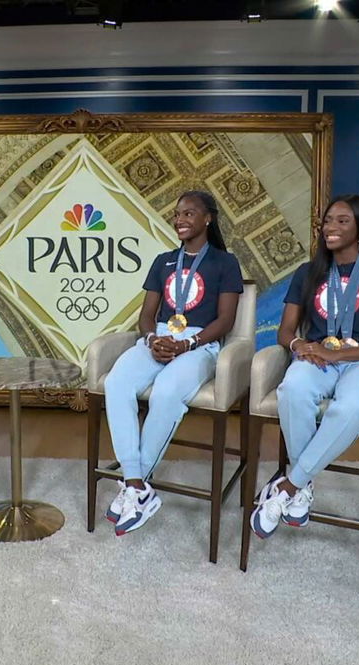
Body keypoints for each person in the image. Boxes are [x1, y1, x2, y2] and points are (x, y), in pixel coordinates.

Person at [250, 194, 359, 538]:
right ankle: (303, 486)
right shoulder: (308, 273)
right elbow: (285, 330)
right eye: (327, 220)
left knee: (353, 407)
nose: (330, 227)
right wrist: (297, 345)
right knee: (292, 388)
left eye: (342, 221)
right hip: (318, 356)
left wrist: (339, 355)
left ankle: (290, 486)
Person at [102, 190, 244, 536]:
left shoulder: (225, 264)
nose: (180, 219)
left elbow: (225, 321)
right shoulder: (163, 261)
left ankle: (135, 486)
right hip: (159, 339)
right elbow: (147, 315)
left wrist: (188, 343)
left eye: (189, 214)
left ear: (208, 218)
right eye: (177, 213)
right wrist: (152, 340)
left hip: (200, 343)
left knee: (166, 392)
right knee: (116, 383)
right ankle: (136, 482)